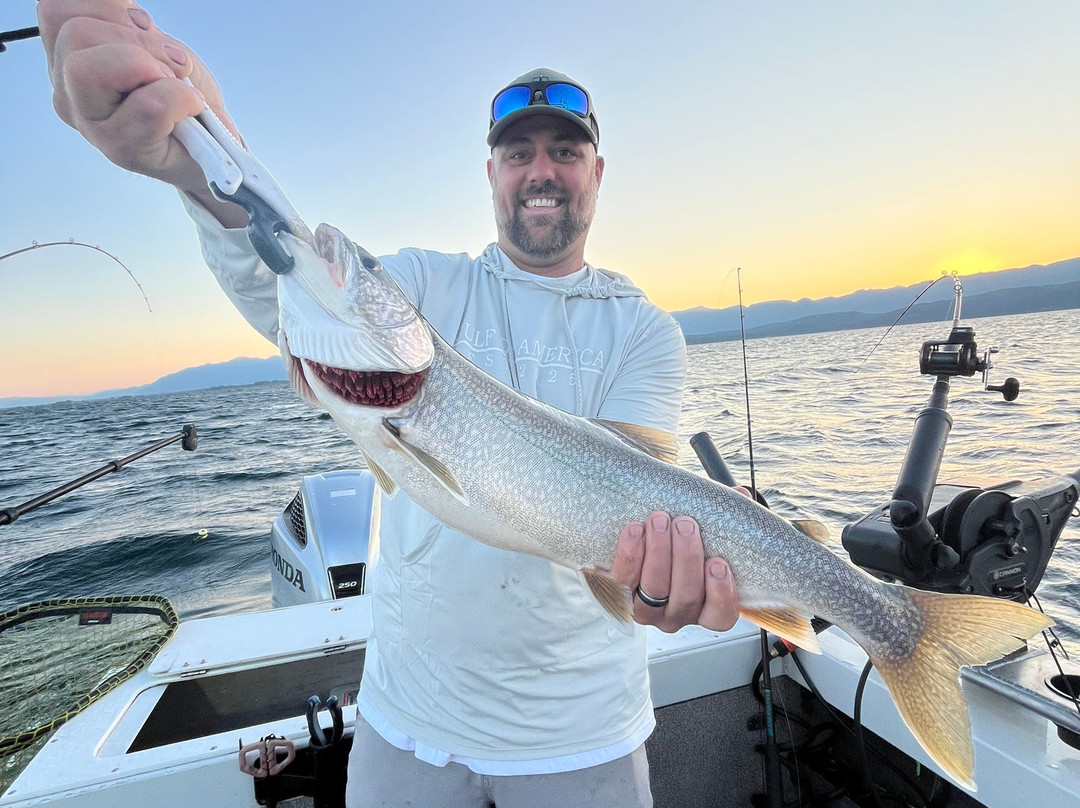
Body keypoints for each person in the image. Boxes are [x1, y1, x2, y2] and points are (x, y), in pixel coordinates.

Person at [38, 3, 742, 805]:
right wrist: (204, 152)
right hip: (407, 721)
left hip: (582, 735)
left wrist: (669, 573)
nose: (540, 170)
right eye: (518, 154)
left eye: (564, 152)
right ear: (491, 175)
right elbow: (287, 284)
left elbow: (635, 493)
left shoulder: (645, 329)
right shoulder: (428, 285)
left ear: (597, 173)